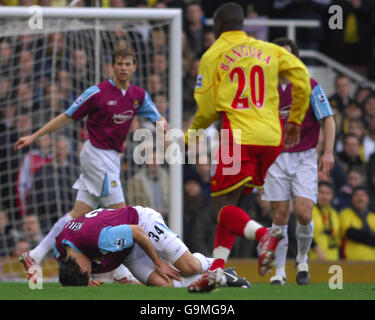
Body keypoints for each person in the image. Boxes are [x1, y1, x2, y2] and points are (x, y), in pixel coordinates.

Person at [184, 3, 311, 293]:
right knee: (232, 205)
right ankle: (216, 272)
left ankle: (265, 235)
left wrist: (190, 135)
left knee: (220, 209)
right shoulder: (269, 50)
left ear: (217, 24)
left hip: (236, 137)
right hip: (271, 139)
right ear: (241, 24)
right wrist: (295, 119)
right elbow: (302, 76)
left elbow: (206, 110)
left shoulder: (213, 54)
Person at [14, 47, 168, 280]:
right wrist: (34, 137)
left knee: (77, 215)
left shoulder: (138, 95)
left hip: (112, 159)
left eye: (128, 64)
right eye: (119, 64)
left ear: (134, 67)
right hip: (97, 155)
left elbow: (156, 115)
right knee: (122, 215)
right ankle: (121, 270)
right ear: (112, 67)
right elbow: (66, 116)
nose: (123, 68)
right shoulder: (96, 93)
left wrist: (161, 122)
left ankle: (35, 254)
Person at [261, 37, 336, 286]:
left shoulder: (309, 85)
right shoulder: (264, 89)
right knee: (280, 215)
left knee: (304, 213)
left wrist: (327, 152)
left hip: (304, 156)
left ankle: (302, 259)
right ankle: (279, 272)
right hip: (275, 158)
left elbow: (328, 118)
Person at [56, 206, 250, 288]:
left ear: (80, 267)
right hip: (126, 251)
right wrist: (81, 282)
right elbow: (69, 275)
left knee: (189, 267)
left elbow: (137, 231)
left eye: (88, 274)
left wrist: (158, 263)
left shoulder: (97, 239)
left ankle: (213, 264)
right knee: (166, 285)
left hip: (142, 223)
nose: (92, 273)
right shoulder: (62, 249)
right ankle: (225, 277)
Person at [339, 186, 375, 260]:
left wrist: (358, 233)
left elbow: (356, 234)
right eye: (356, 195)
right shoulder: (345, 213)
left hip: (372, 261)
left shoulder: (373, 217)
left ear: (368, 199)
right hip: (351, 260)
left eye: (363, 195)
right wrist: (371, 237)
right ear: (352, 199)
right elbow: (350, 233)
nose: (360, 198)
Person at [309, 182, 340, 261]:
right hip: (313, 258)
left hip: (333, 259)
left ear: (332, 195)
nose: (324, 196)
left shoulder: (334, 213)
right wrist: (316, 248)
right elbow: (303, 231)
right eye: (321, 192)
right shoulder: (309, 211)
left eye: (327, 193)